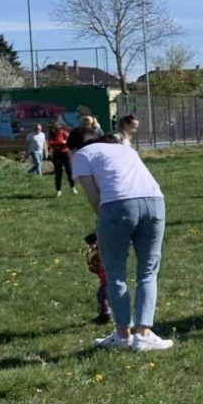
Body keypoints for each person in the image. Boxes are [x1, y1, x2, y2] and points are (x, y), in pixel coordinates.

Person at [70, 131, 171, 351]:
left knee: (115, 273)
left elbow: (94, 198)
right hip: (155, 201)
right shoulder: (124, 149)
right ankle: (144, 334)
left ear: (73, 148)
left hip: (116, 205)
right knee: (148, 271)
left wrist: (105, 230)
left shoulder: (81, 155)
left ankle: (123, 335)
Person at [84, 232, 111, 325]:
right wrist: (95, 270)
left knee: (103, 296)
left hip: (109, 281)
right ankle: (107, 313)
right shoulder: (99, 255)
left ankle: (106, 314)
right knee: (104, 296)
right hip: (106, 281)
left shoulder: (104, 252)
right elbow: (100, 271)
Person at [47, 123, 76, 196]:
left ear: (56, 128)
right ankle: (58, 190)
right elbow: (50, 143)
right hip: (56, 154)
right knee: (58, 173)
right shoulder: (51, 135)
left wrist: (61, 143)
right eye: (50, 129)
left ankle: (73, 187)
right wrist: (61, 143)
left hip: (65, 153)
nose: (51, 130)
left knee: (69, 171)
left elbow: (69, 142)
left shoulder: (64, 133)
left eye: (52, 128)